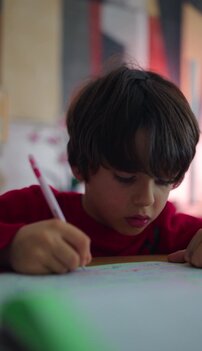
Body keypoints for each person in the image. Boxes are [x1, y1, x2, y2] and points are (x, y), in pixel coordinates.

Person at [0, 64, 202, 275]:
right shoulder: (32, 210)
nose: (146, 199)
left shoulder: (172, 232)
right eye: (126, 177)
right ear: (80, 166)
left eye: (163, 180)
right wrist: (10, 247)